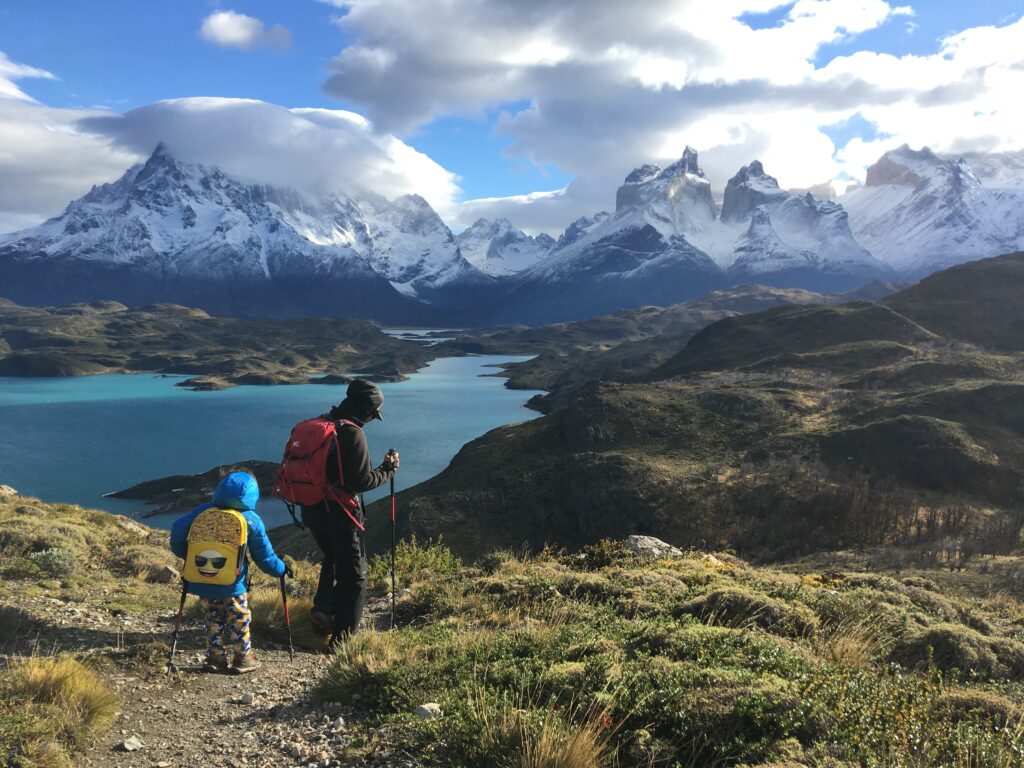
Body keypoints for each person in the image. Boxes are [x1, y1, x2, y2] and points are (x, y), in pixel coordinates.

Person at [302, 378, 399, 645]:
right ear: (366, 409)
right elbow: (361, 482)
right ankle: (342, 642)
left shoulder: (322, 423)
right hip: (341, 516)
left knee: (332, 558)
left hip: (311, 510)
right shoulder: (352, 433)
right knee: (355, 578)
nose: (371, 418)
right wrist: (387, 470)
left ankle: (323, 610)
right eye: (372, 412)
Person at [170, 469, 291, 674]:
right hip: (232, 583)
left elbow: (176, 535)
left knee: (213, 617)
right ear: (252, 494)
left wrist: (190, 557)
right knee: (239, 617)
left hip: (202, 577)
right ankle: (243, 657)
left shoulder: (202, 511)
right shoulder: (250, 519)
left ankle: (215, 657)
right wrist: (281, 569)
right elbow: (264, 557)